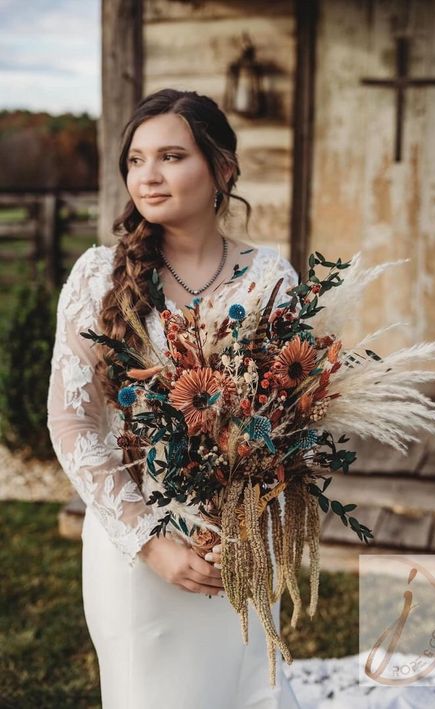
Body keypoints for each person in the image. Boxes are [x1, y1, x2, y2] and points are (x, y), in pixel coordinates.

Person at [47, 88, 301, 708]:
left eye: (170, 156)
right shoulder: (99, 276)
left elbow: (290, 420)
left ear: (223, 169)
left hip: (239, 547)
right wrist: (150, 540)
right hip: (136, 550)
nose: (148, 176)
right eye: (135, 160)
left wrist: (245, 517)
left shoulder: (272, 279)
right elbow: (72, 422)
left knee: (248, 693)